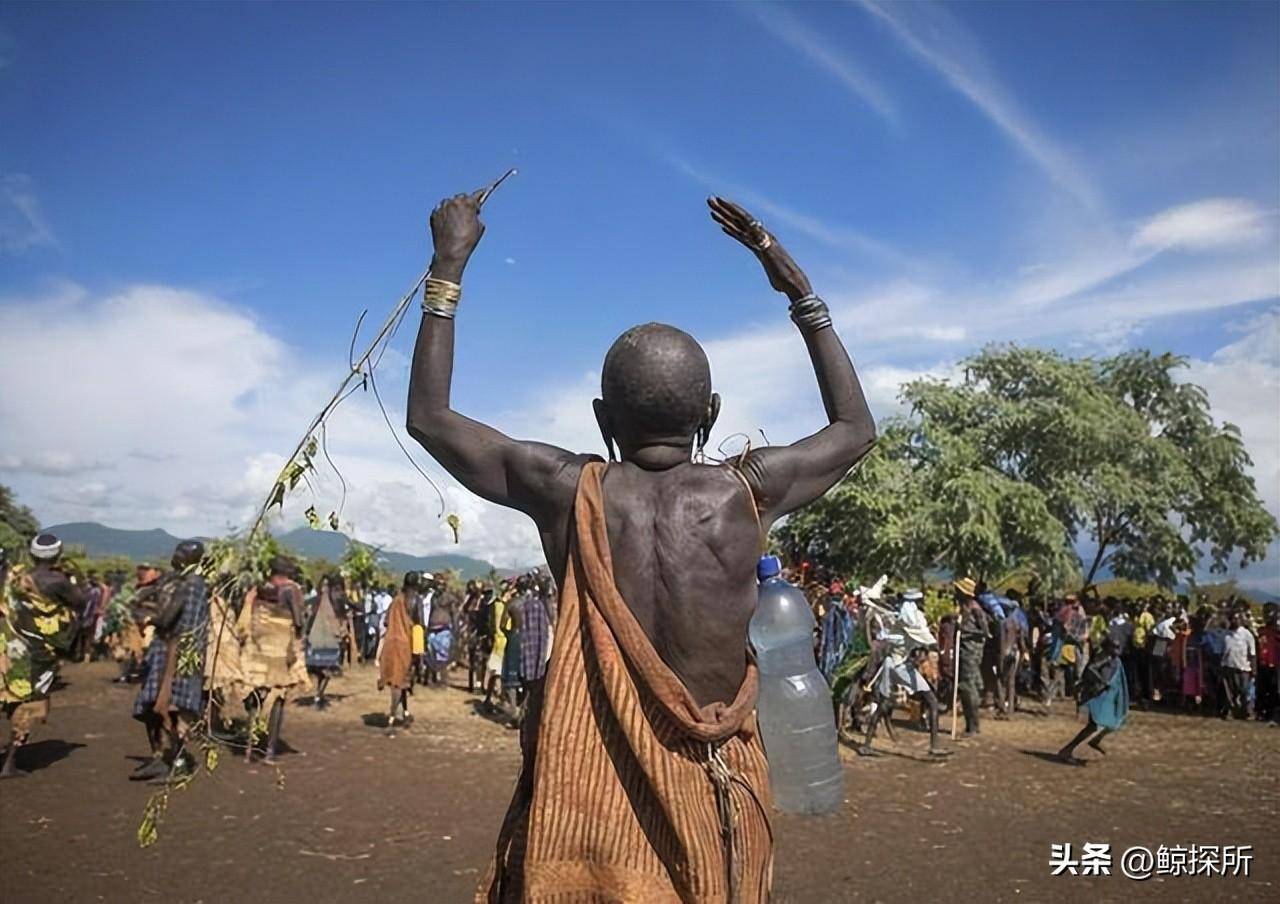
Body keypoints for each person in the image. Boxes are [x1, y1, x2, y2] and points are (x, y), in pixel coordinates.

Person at [406, 192, 875, 902]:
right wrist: (799, 292)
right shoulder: (749, 493)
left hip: (589, 813)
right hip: (720, 803)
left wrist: (447, 268)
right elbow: (853, 430)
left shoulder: (564, 488)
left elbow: (431, 418)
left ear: (603, 416)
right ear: (709, 414)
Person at [1, 536, 79, 778]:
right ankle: (9, 763)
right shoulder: (58, 581)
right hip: (37, 651)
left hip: (9, 645)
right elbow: (80, 601)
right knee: (27, 703)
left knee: (7, 694)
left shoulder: (14, 577)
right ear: (58, 554)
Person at [130, 540, 208, 781]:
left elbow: (166, 619)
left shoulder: (189, 585)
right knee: (156, 705)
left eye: (179, 553)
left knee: (171, 708)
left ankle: (179, 762)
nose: (174, 557)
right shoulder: (196, 583)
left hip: (176, 651)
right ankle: (162, 758)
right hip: (181, 650)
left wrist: (148, 618)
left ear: (186, 559)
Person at [857, 590, 948, 757]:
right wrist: (936, 646)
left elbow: (920, 637)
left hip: (896, 664)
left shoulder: (910, 617)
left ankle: (866, 745)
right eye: (921, 601)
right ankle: (934, 746)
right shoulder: (909, 620)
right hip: (897, 666)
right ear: (915, 602)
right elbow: (923, 636)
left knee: (884, 704)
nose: (924, 604)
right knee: (932, 701)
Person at [236, 558, 309, 764]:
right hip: (279, 650)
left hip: (257, 648)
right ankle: (269, 751)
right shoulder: (290, 590)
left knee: (255, 694)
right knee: (277, 697)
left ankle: (250, 748)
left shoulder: (258, 588)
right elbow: (298, 620)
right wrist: (299, 640)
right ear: (286, 573)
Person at [1057, 636, 1128, 764]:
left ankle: (1094, 741)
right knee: (1093, 725)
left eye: (1119, 647)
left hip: (1106, 695)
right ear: (1108, 647)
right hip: (1097, 695)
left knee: (1116, 720)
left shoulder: (1113, 659)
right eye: (1115, 647)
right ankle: (1067, 750)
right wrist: (1102, 681)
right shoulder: (1104, 657)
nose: (1118, 650)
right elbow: (1091, 669)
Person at [377, 572, 419, 730]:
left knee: (399, 681)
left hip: (390, 644)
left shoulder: (396, 600)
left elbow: (387, 621)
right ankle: (392, 719)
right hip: (405, 645)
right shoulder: (413, 601)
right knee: (398, 683)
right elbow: (418, 626)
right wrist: (419, 650)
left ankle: (405, 713)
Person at [305, 574, 347, 709]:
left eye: (326, 586)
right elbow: (308, 616)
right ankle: (319, 694)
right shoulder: (316, 601)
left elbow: (344, 615)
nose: (324, 588)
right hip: (317, 638)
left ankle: (319, 694)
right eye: (323, 585)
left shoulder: (336, 601)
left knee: (327, 670)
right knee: (318, 670)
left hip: (330, 639)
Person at [955, 578, 987, 737]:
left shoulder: (976, 609)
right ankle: (969, 725)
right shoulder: (963, 608)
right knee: (964, 688)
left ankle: (974, 725)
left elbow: (984, 632)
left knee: (969, 687)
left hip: (972, 653)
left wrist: (966, 633)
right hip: (963, 651)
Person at [1219, 610, 1256, 720]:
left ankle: (1246, 711)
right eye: (1232, 619)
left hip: (1243, 667)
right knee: (1229, 691)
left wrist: (1253, 669)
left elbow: (1252, 653)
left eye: (1237, 618)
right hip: (1228, 666)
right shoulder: (1225, 635)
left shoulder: (1247, 634)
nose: (1235, 621)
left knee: (1244, 690)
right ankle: (1229, 711)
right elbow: (1221, 651)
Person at [424, 574, 457, 687]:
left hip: (444, 630)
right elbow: (430, 612)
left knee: (442, 656)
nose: (439, 586)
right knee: (431, 655)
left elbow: (454, 615)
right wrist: (427, 627)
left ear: (445, 586)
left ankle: (443, 681)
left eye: (441, 584)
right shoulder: (433, 597)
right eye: (437, 584)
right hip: (432, 629)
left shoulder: (450, 598)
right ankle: (432, 679)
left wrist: (455, 631)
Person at [1257, 604, 1279, 724]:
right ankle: (1263, 713)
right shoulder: (1262, 631)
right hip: (1263, 664)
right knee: (1262, 689)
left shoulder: (1277, 632)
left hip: (1275, 665)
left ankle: (1274, 714)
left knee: (1275, 690)